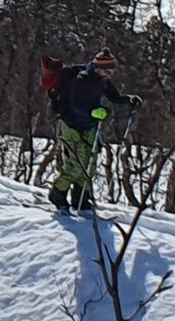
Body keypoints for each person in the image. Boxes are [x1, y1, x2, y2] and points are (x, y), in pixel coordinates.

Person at [45, 48, 142, 213]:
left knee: (89, 164)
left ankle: (80, 199)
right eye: (107, 70)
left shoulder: (101, 81)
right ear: (98, 67)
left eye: (111, 71)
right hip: (71, 126)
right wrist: (92, 112)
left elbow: (113, 96)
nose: (109, 74)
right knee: (75, 165)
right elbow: (74, 105)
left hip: (89, 127)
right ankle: (58, 195)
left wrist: (128, 100)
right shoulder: (81, 80)